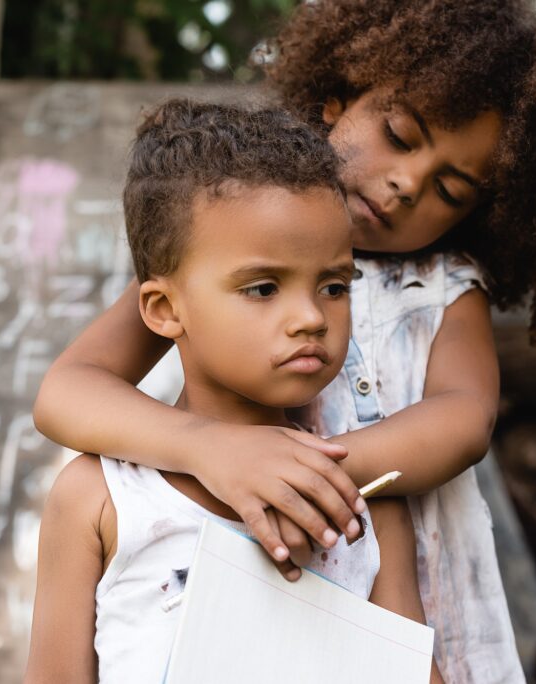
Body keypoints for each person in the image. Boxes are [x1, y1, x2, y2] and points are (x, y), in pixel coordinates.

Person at [32, 1, 536, 681]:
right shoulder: (222, 242)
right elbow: (65, 392)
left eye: (451, 187)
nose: (408, 185)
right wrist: (215, 452)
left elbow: (463, 421)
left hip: (388, 568)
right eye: (402, 138)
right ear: (333, 100)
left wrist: (305, 478)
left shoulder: (443, 286)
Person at [24, 99, 444, 684]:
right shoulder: (100, 500)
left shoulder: (362, 501)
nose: (311, 318)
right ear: (165, 308)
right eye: (264, 287)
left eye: (333, 286)